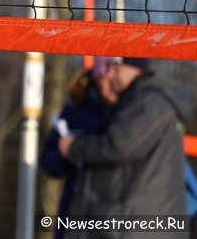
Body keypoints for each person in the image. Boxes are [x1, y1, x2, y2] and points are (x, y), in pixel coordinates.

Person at [58, 57, 187, 237]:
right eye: (108, 68)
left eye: (116, 69)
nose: (109, 75)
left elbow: (117, 147)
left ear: (136, 70)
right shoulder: (139, 101)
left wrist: (75, 147)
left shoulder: (148, 104)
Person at [39, 58, 118, 239]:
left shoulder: (130, 110)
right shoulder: (77, 107)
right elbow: (48, 161)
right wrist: (68, 153)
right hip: (76, 206)